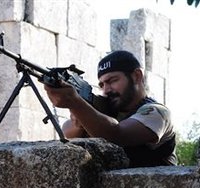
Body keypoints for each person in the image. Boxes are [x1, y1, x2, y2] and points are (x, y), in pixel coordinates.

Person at [44, 50, 177, 167]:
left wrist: (76, 104)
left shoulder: (157, 113)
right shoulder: (108, 111)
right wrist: (78, 115)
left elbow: (116, 135)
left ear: (137, 76)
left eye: (113, 80)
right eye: (102, 85)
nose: (106, 90)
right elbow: (68, 131)